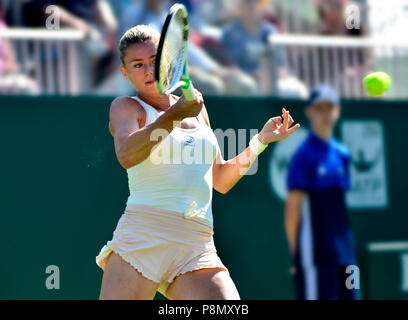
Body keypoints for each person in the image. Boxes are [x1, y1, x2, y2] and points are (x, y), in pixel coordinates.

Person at [96, 24, 300, 300]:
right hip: (143, 237)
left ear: (169, 58)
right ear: (125, 72)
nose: (149, 71)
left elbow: (221, 180)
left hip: (196, 244)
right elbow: (127, 155)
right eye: (138, 64)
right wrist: (175, 115)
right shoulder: (125, 107)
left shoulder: (197, 109)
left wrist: (260, 141)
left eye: (155, 61)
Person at [284, 85, 360, 300]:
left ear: (337, 110)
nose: (325, 114)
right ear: (309, 112)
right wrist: (297, 255)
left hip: (347, 255)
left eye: (330, 108)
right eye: (319, 108)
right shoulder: (304, 155)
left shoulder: (343, 154)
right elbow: (293, 207)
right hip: (316, 256)